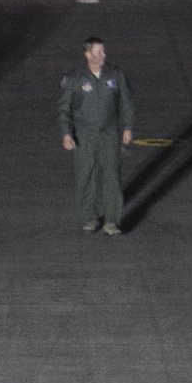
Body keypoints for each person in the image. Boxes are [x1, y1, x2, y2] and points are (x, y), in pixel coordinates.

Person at [58, 35, 134, 235]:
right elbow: (64, 108)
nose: (103, 55)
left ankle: (112, 220)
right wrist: (67, 134)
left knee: (112, 177)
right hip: (84, 136)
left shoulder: (115, 75)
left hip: (109, 134)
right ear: (87, 54)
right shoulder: (75, 78)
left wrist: (127, 127)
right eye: (98, 51)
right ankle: (89, 218)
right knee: (86, 177)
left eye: (103, 51)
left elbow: (126, 101)